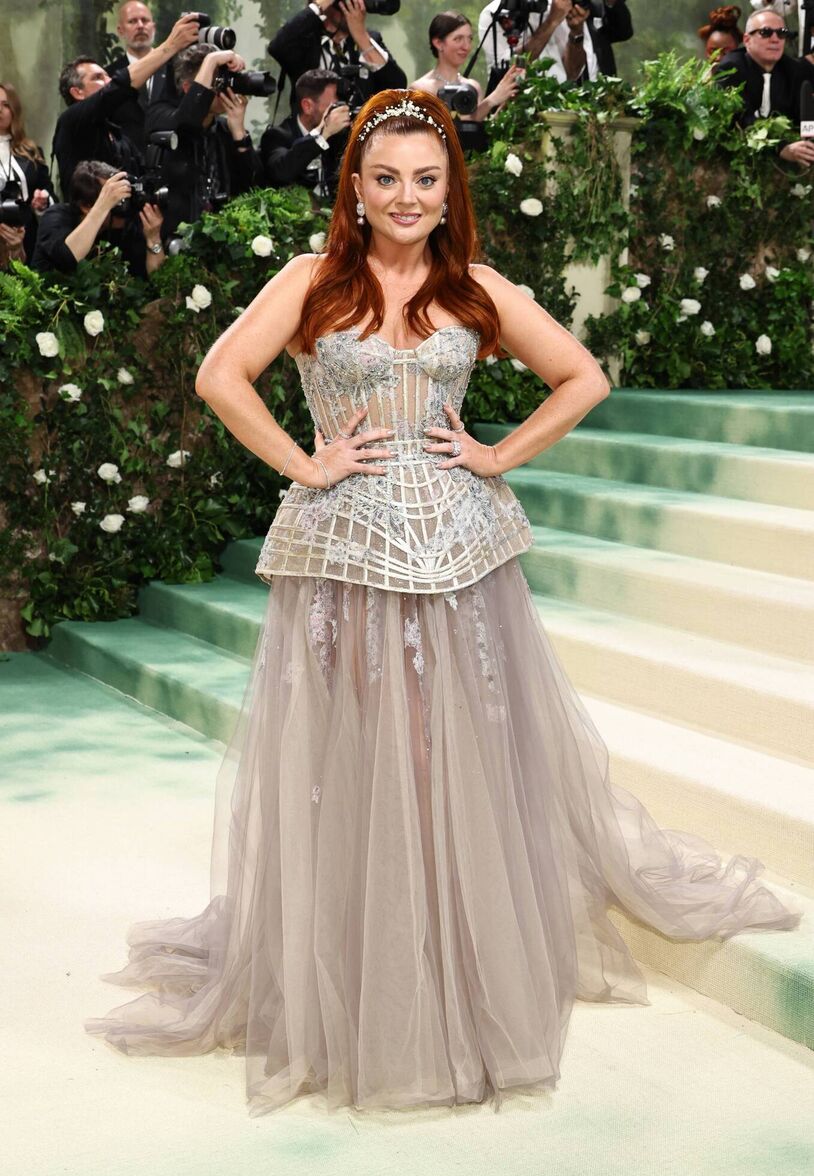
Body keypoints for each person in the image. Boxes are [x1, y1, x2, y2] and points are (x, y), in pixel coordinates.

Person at [84, 88, 802, 1116]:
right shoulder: (309, 283)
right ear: (357, 190)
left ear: (447, 188)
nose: (408, 196)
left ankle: (452, 963)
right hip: (342, 559)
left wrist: (496, 453)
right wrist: (306, 461)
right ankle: (362, 966)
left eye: (427, 179)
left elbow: (581, 377)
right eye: (387, 180)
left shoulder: (475, 289)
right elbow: (219, 375)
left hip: (465, 559)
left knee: (446, 755)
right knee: (356, 754)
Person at [52, 12, 200, 199]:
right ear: (77, 92)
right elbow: (117, 89)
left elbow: (143, 179)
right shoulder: (71, 121)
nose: (108, 80)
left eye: (106, 75)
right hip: (87, 223)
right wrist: (171, 46)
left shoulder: (118, 136)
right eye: (98, 78)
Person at [145, 44, 262, 237]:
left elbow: (252, 187)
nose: (223, 89)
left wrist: (239, 135)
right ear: (189, 88)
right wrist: (212, 60)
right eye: (216, 82)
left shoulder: (225, 128)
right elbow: (186, 121)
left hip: (221, 238)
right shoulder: (164, 118)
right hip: (176, 236)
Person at [713, 5, 814, 165]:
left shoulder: (794, 70)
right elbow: (740, 119)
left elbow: (803, 117)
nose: (775, 39)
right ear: (747, 40)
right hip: (736, 160)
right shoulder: (731, 68)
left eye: (782, 33)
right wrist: (781, 147)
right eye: (765, 32)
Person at [31, 160, 165, 278]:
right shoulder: (56, 217)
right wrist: (103, 206)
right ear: (86, 206)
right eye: (114, 198)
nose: (122, 203)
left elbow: (157, 280)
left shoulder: (127, 225)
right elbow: (68, 258)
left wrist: (153, 239)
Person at [268, 0, 407, 113]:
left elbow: (397, 86)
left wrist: (362, 37)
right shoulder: (305, 42)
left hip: (357, 139)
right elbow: (277, 47)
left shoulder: (368, 40)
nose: (356, 8)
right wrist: (319, 5)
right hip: (314, 139)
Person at [478, 0, 632, 90]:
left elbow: (572, 73)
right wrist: (552, 21)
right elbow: (511, 71)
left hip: (568, 113)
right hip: (519, 111)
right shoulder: (496, 13)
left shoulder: (571, 7)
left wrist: (576, 32)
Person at [410, 12, 524, 124]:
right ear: (439, 43)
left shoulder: (473, 87)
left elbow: (478, 131)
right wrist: (492, 99)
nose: (466, 46)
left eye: (469, 39)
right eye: (458, 39)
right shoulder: (420, 89)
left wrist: (506, 101)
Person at [261, 69, 350, 196]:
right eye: (333, 107)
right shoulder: (277, 136)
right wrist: (322, 134)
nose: (337, 112)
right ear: (307, 106)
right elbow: (282, 172)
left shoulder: (337, 136)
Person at [0, 81, 55, 267]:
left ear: (14, 110)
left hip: (26, 235)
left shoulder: (31, 151)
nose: (0, 110)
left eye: (6, 105)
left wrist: (42, 202)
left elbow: (49, 192)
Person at [105, 1, 170, 152]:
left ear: (153, 27)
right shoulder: (110, 76)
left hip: (172, 161)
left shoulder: (174, 69)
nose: (140, 25)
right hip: (128, 165)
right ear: (120, 30)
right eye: (132, 21)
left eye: (145, 20)